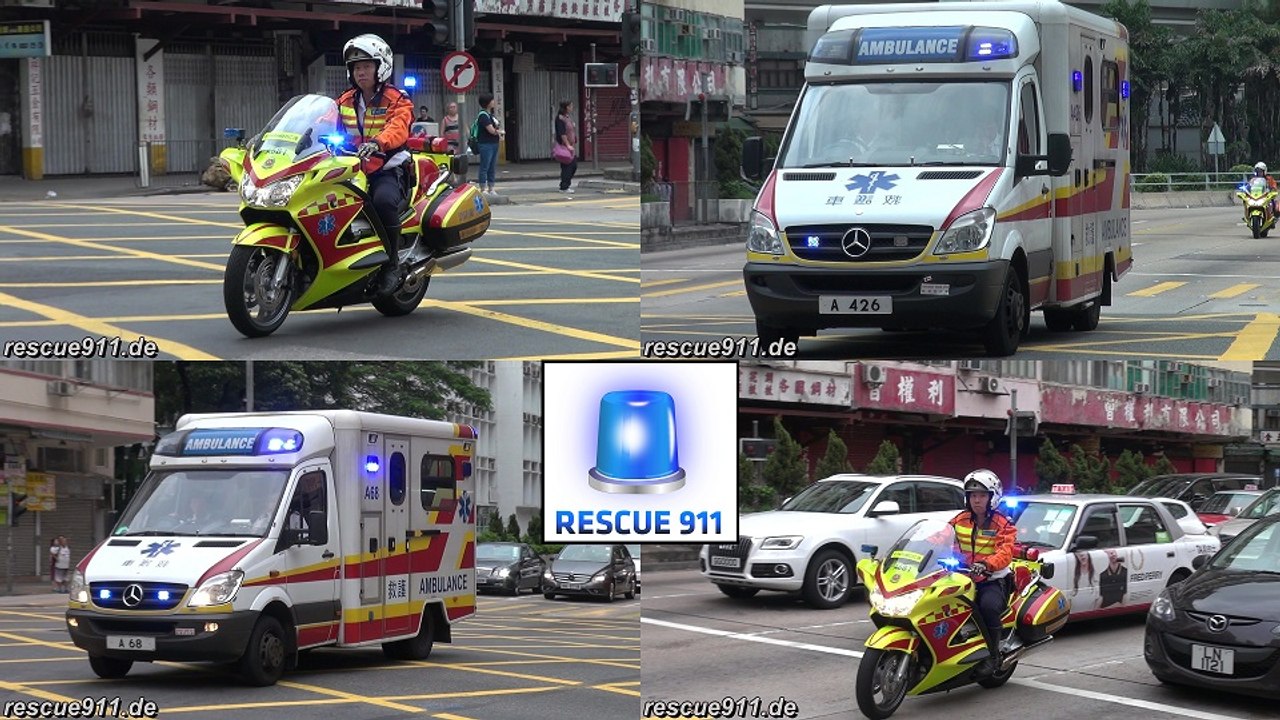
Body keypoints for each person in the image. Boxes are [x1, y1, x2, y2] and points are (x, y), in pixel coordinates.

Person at [335, 33, 415, 297]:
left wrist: (379, 142)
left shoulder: (397, 99)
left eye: (367, 66)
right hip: (351, 169)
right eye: (356, 67)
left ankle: (392, 263)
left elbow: (399, 128)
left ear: (381, 67)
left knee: (382, 202)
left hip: (387, 170)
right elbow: (318, 122)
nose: (361, 72)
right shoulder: (344, 101)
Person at [949, 469, 1017, 674]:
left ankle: (993, 655)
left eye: (982, 496)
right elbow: (938, 538)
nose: (976, 500)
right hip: (961, 577)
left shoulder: (1003, 524)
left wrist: (987, 565)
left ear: (992, 497)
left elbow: (1005, 552)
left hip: (992, 580)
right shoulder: (958, 520)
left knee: (987, 607)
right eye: (973, 495)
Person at [474, 94, 504, 195]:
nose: (494, 102)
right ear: (487, 103)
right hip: (486, 144)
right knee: (485, 166)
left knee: (492, 166)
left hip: (493, 143)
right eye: (492, 100)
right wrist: (500, 132)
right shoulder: (483, 115)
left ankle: (491, 188)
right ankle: (483, 188)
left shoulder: (490, 114)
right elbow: (491, 130)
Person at [554, 100, 579, 194]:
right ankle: (564, 187)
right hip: (564, 147)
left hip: (571, 146)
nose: (572, 107)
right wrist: (567, 144)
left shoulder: (567, 117)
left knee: (573, 166)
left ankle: (565, 185)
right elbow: (562, 134)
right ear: (566, 107)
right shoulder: (560, 118)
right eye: (570, 106)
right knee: (568, 167)